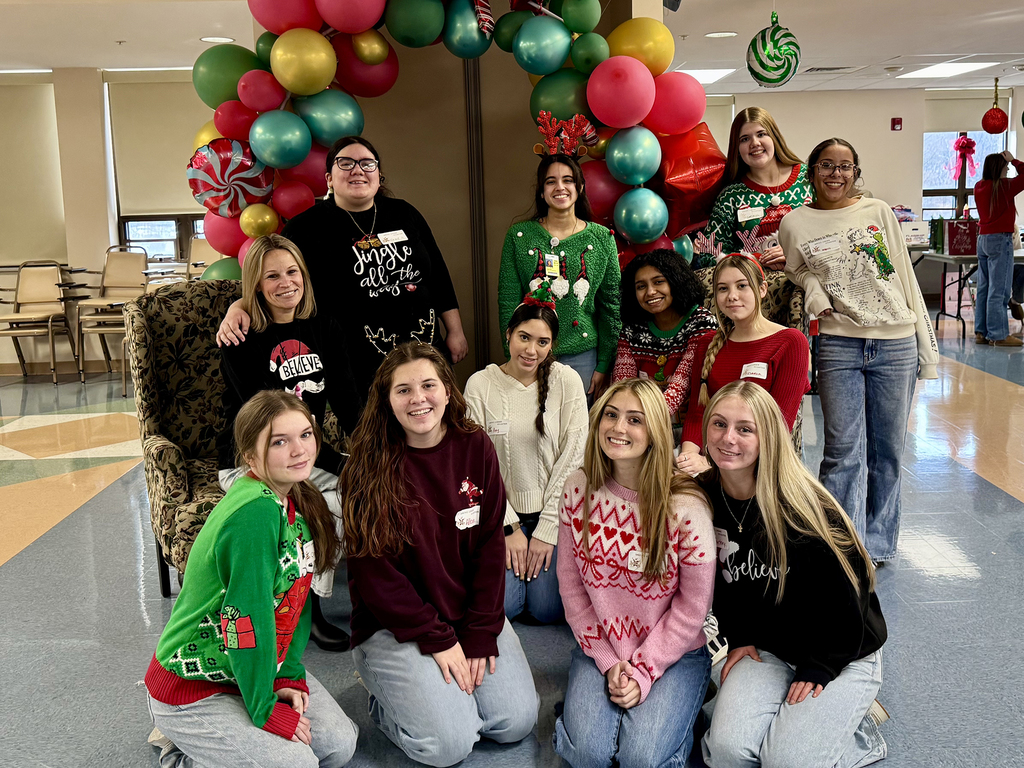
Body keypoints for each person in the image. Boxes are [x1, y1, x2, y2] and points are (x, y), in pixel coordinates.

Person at [341, 342, 539, 767]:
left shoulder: (475, 446)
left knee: (515, 723)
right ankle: (386, 706)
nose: (418, 399)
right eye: (403, 390)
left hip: (466, 609)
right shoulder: (366, 465)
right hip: (395, 626)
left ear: (447, 391)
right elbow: (377, 580)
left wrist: (481, 631)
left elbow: (489, 545)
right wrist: (438, 639)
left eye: (428, 385)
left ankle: (441, 700)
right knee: (449, 746)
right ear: (386, 399)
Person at [145, 391, 358, 768]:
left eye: (305, 435)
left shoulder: (294, 498)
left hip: (250, 668)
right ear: (249, 457)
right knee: (298, 764)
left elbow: (296, 601)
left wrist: (289, 675)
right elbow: (245, 618)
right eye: (280, 441)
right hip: (193, 687)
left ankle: (221, 742)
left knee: (338, 745)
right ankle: (183, 748)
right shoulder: (255, 514)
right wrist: (264, 709)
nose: (299, 450)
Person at [698, 381, 888, 768]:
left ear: (768, 437)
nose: (728, 438)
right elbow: (721, 585)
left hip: (841, 650)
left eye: (745, 429)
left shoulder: (803, 507)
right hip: (769, 648)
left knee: (785, 762)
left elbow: (852, 601)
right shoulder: (702, 497)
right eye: (718, 424)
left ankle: (860, 735)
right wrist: (740, 636)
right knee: (727, 754)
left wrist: (821, 666)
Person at [780, 137, 939, 563]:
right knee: (841, 450)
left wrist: (928, 352)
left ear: (855, 172)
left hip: (896, 342)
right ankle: (840, 543)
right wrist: (813, 289)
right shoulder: (795, 223)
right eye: (827, 165)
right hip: (838, 344)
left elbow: (904, 277)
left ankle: (879, 543)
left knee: (886, 451)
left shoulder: (878, 212)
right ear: (812, 171)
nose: (836, 173)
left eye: (845, 166)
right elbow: (797, 271)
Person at [218, 136, 468, 393]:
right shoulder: (305, 228)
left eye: (367, 164)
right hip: (357, 361)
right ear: (329, 178)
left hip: (424, 348)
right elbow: (277, 278)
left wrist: (455, 331)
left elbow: (437, 275)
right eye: (346, 163)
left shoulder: (404, 213)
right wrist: (239, 305)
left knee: (435, 421)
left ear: (378, 175)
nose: (358, 170)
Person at [553, 378, 715, 768]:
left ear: (656, 432)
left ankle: (687, 707)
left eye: (635, 420)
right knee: (589, 755)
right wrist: (609, 661)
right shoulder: (577, 490)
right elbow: (571, 590)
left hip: (674, 654)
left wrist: (643, 671)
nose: (618, 428)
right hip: (601, 648)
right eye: (611, 415)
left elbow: (693, 608)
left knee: (641, 760)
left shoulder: (686, 504)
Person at [216, 233, 360, 651]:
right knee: (315, 506)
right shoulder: (239, 338)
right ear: (256, 286)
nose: (285, 283)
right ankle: (307, 614)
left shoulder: (324, 326)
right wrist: (336, 462)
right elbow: (266, 425)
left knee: (365, 491)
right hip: (256, 458)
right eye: (271, 276)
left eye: (292, 271)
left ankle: (327, 598)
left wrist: (370, 455)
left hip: (305, 452)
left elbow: (350, 404)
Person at [465, 293, 587, 624]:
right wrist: (508, 527)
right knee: (503, 609)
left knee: (547, 610)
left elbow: (574, 458)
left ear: (552, 345)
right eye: (524, 337)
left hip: (554, 514)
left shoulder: (567, 381)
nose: (531, 350)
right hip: (498, 515)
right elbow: (475, 463)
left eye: (542, 342)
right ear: (508, 334)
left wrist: (548, 528)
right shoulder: (480, 385)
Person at [498, 153, 621, 398]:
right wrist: (511, 352)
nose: (560, 187)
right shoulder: (519, 236)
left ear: (580, 187)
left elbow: (611, 306)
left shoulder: (602, 238)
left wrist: (605, 363)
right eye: (550, 181)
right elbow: (508, 300)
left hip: (583, 355)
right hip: (529, 351)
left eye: (568, 180)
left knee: (576, 430)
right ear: (541, 191)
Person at [676, 253, 809, 476]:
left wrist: (712, 465)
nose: (732, 296)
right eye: (723, 289)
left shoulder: (790, 342)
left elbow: (779, 423)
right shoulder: (706, 344)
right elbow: (697, 413)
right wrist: (688, 458)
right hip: (714, 453)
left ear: (762, 289)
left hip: (760, 463)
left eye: (742, 286)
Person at [695, 107, 812, 270]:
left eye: (761, 134)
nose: (754, 143)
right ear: (737, 147)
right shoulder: (731, 196)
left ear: (774, 137)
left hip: (810, 284)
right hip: (756, 289)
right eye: (744, 139)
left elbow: (834, 230)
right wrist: (754, 259)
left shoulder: (809, 178)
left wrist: (795, 252)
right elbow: (708, 255)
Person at [613, 248, 718, 423]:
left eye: (658, 282)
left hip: (686, 426)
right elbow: (622, 387)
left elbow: (680, 386)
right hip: (640, 422)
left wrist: (641, 420)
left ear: (676, 282)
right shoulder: (631, 330)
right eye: (641, 286)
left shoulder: (702, 323)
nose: (650, 292)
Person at [973, 150, 1024, 347]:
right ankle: (999, 334)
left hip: (983, 239)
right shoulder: (1004, 186)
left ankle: (982, 331)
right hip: (1000, 240)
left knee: (984, 288)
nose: (1009, 169)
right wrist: (1014, 160)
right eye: (1006, 167)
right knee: (1000, 290)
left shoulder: (979, 186)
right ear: (1000, 168)